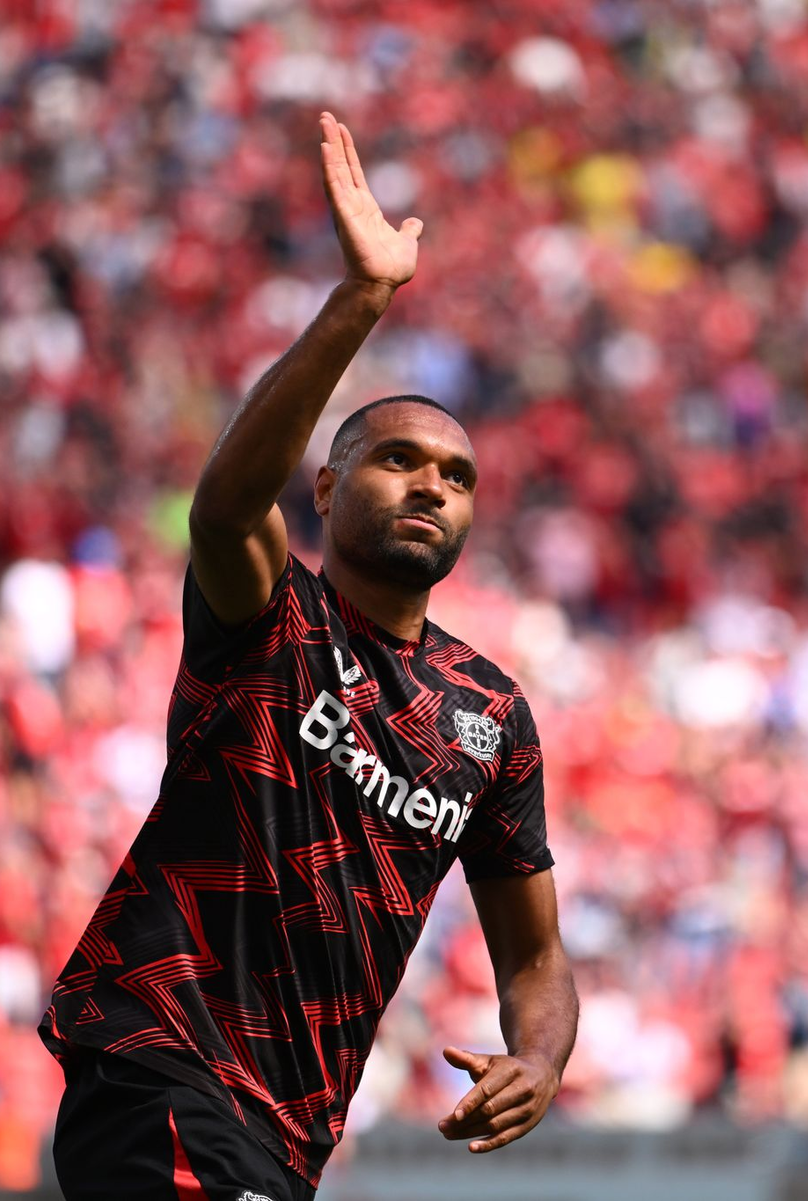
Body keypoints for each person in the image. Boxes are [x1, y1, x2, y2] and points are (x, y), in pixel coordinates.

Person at [38, 111, 579, 1201]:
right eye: (399, 459)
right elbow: (228, 508)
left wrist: (540, 1057)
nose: (433, 484)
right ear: (328, 488)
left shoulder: (489, 713)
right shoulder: (274, 618)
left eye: (458, 476)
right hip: (162, 1063)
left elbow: (535, 956)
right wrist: (363, 301)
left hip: (289, 1135)